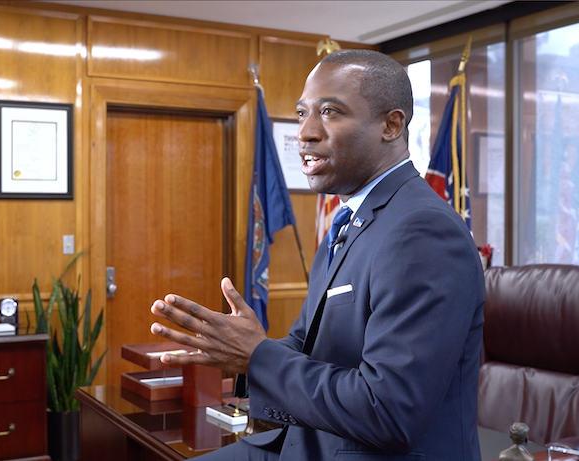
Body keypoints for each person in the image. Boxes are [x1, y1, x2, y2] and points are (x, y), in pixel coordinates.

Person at [150, 49, 485, 461]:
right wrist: (234, 352)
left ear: (391, 125)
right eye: (302, 112)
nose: (305, 132)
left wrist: (258, 356)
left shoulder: (423, 232)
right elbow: (306, 344)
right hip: (308, 442)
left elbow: (390, 413)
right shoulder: (348, 222)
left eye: (329, 112)